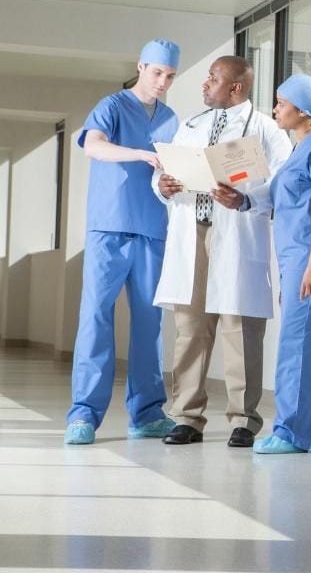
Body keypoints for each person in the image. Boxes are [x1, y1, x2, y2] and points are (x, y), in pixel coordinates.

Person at [151, 56, 292, 447]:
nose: (205, 84)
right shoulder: (190, 126)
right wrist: (161, 186)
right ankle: (186, 417)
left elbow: (284, 183)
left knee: (239, 328)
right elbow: (163, 172)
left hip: (236, 233)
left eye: (213, 78)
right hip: (191, 231)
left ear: (237, 87)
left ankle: (243, 420)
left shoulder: (266, 128)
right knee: (190, 328)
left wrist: (246, 199)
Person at [217, 74, 311, 454]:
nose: (275, 108)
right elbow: (279, 200)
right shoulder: (299, 151)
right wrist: (239, 201)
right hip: (298, 259)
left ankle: (290, 433)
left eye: (281, 102)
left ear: (303, 111)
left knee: (298, 347)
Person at [64, 39, 181, 445]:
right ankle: (83, 415)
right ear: (141, 67)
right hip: (109, 228)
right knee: (96, 317)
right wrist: (139, 153)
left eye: (169, 75)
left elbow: (170, 175)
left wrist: (170, 184)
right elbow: (93, 146)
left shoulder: (171, 120)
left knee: (150, 325)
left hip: (151, 229)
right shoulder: (112, 106)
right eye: (156, 73)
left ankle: (147, 413)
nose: (162, 81)